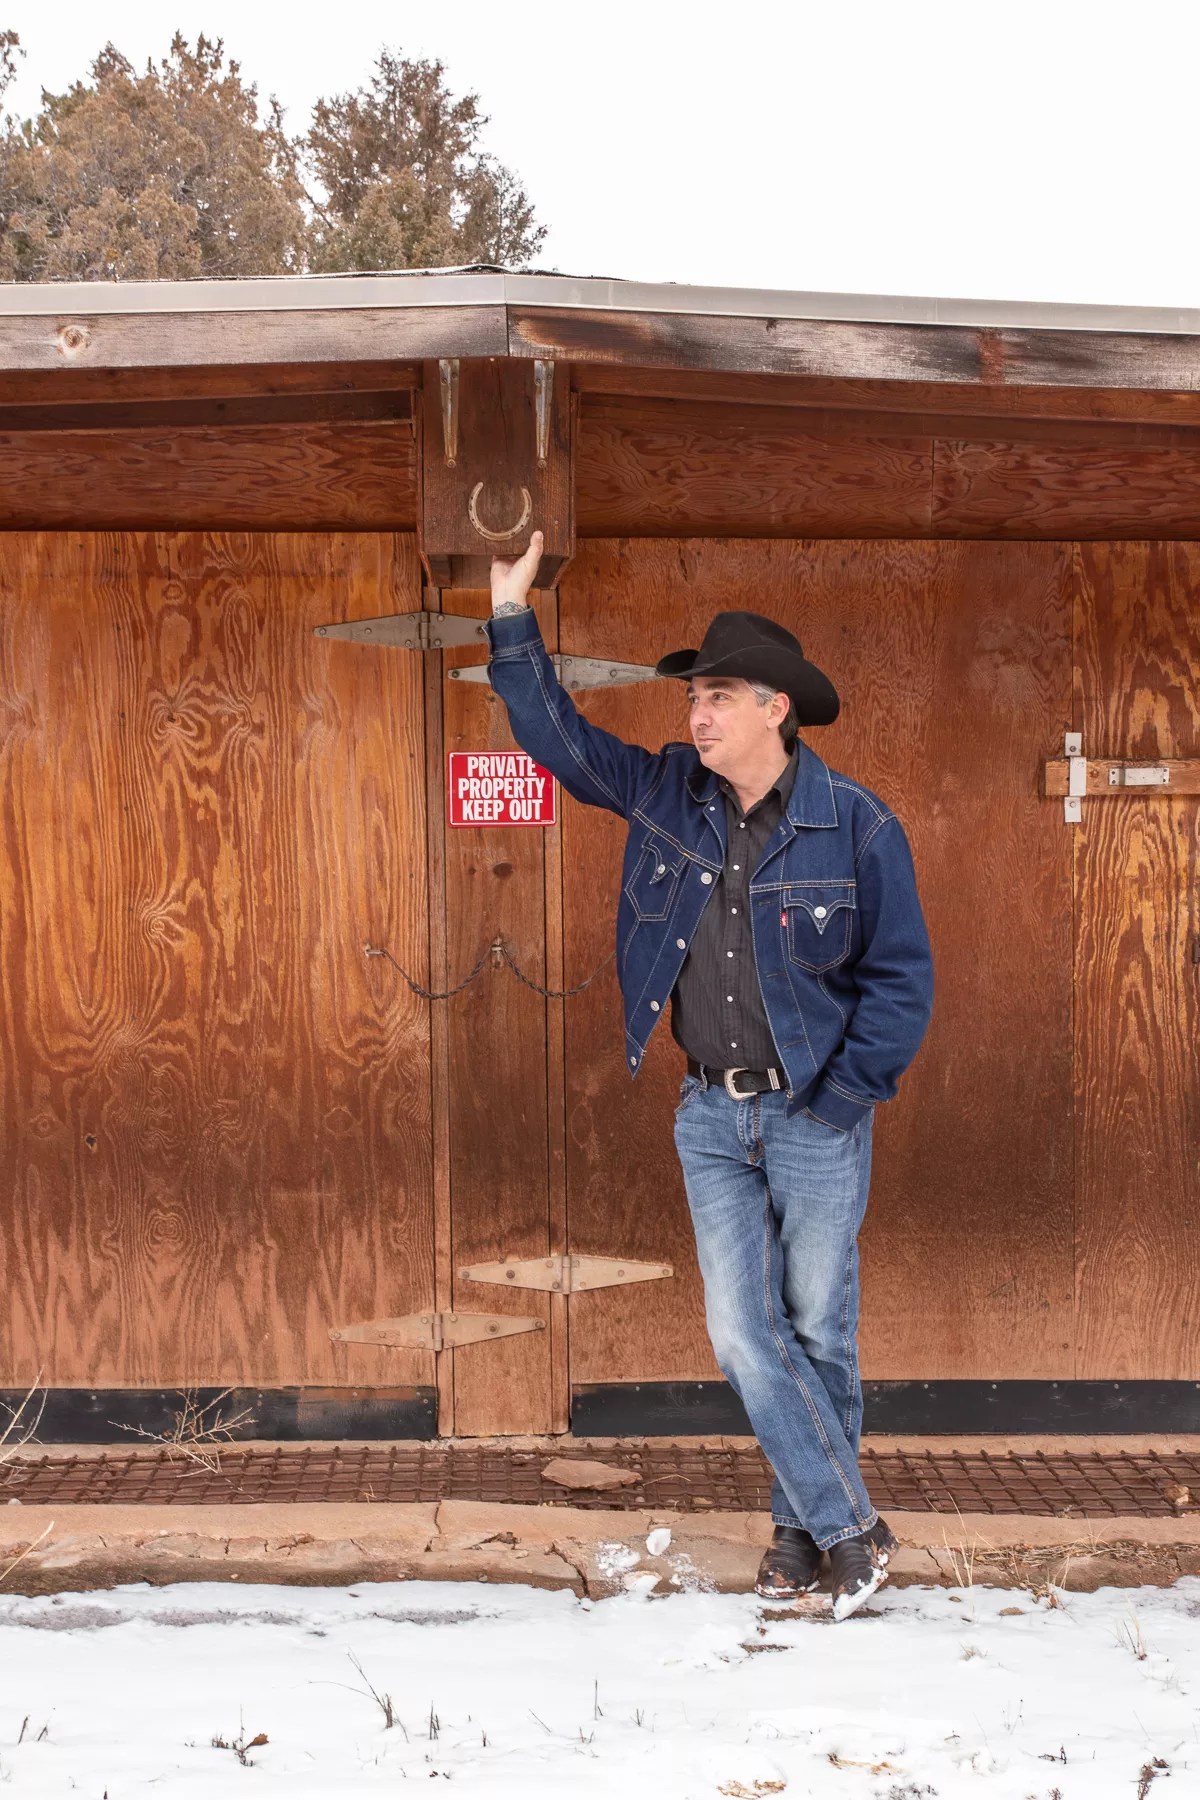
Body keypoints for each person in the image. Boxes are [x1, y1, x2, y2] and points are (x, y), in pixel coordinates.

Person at [484, 530, 934, 1621]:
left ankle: (801, 1536)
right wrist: (509, 619)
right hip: (709, 1114)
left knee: (818, 1330)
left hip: (816, 1112)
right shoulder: (663, 794)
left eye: (720, 695)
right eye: (694, 695)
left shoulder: (858, 825)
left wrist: (840, 1102)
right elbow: (557, 738)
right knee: (743, 1335)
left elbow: (901, 982)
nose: (697, 712)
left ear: (777, 708)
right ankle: (851, 1529)